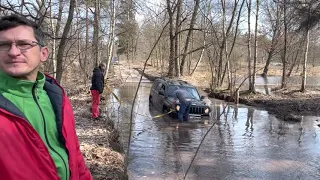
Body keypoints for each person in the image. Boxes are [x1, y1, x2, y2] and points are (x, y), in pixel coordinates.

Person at [0, 14, 92, 180]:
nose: (13, 52)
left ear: (43, 53)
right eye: (4, 45)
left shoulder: (58, 97)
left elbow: (75, 155)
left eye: (24, 44)